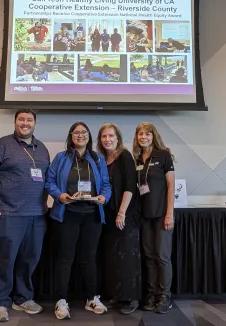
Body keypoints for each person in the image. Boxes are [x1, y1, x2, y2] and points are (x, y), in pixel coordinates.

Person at [0, 109, 50, 322]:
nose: (25, 123)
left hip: (37, 215)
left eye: (29, 120)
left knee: (30, 259)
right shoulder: (0, 145)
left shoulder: (42, 148)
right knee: (5, 260)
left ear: (34, 124)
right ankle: (0, 303)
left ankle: (23, 299)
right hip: (9, 213)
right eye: (21, 119)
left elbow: (46, 178)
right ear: (15, 122)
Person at [45, 122, 111, 320]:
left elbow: (106, 185)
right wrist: (60, 195)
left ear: (89, 136)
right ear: (71, 136)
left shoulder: (98, 159)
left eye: (84, 132)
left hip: (92, 215)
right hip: (68, 214)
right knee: (65, 258)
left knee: (90, 259)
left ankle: (92, 298)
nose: (80, 135)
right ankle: (61, 300)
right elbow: (49, 181)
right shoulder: (61, 158)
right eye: (76, 132)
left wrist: (103, 198)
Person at [97, 123, 141, 315]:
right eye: (104, 136)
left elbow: (130, 185)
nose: (107, 139)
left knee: (127, 257)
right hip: (106, 215)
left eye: (110, 136)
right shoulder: (101, 159)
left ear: (118, 138)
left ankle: (131, 297)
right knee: (112, 257)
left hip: (124, 214)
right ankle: (117, 294)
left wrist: (122, 212)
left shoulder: (124, 156)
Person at [132, 122, 175, 314]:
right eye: (140, 134)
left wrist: (170, 213)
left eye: (147, 134)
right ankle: (151, 293)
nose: (144, 137)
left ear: (153, 136)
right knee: (149, 257)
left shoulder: (164, 155)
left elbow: (171, 186)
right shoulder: (137, 158)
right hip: (145, 216)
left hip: (162, 215)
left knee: (162, 257)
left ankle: (165, 295)